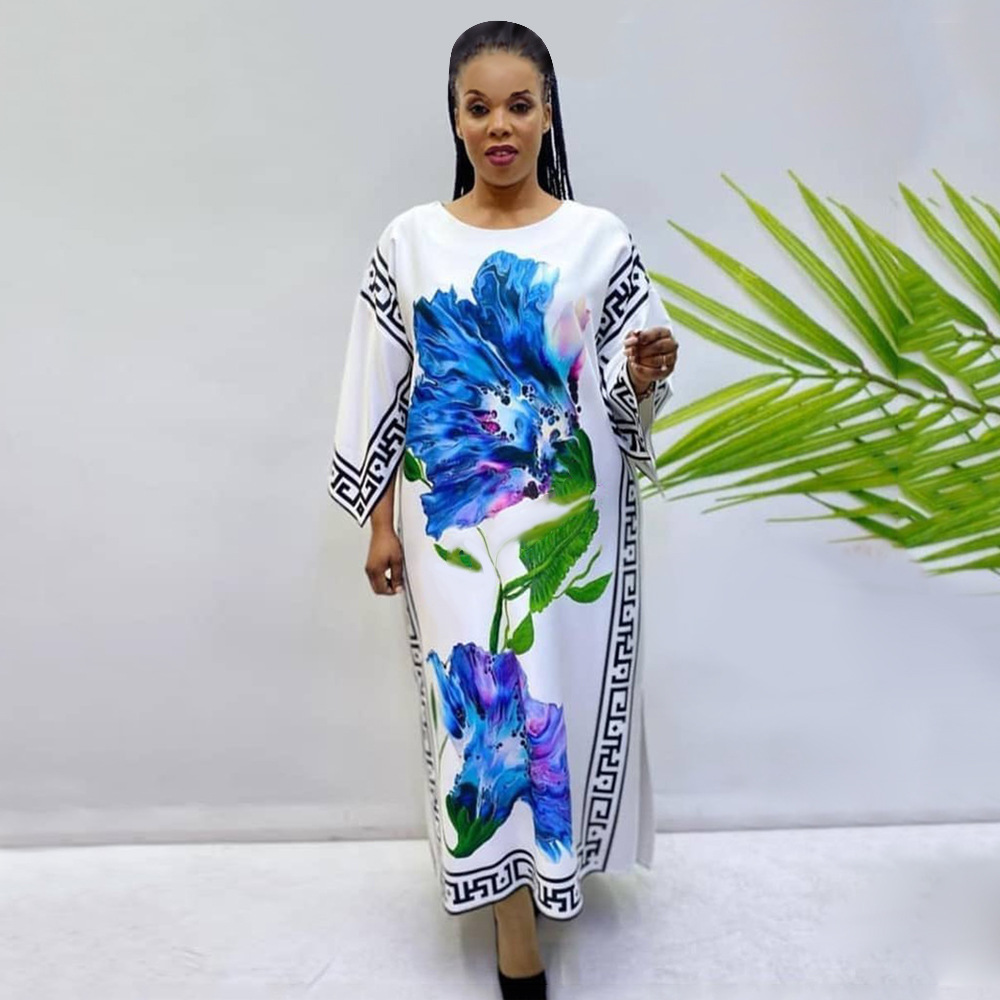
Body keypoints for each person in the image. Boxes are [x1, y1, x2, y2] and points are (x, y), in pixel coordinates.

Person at [328, 21, 679, 999]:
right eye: (478, 107)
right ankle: (513, 934)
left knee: (553, 702)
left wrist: (645, 372)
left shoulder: (598, 239)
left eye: (518, 106)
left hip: (564, 529)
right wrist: (381, 523)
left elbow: (622, 387)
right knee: (479, 711)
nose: (499, 126)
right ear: (454, 118)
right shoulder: (410, 242)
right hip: (454, 526)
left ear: (547, 114)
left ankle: (546, 875)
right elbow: (383, 388)